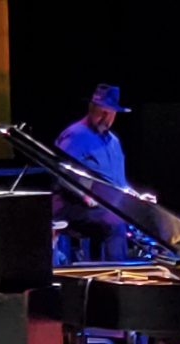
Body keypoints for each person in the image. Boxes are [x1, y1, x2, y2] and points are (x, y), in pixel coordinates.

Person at [54, 84, 131, 261]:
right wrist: (85, 195)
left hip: (104, 206)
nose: (106, 118)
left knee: (140, 219)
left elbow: (119, 183)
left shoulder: (114, 142)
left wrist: (135, 196)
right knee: (114, 223)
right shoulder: (75, 135)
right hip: (72, 206)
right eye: (102, 112)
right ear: (91, 109)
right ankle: (116, 277)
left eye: (110, 113)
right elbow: (65, 174)